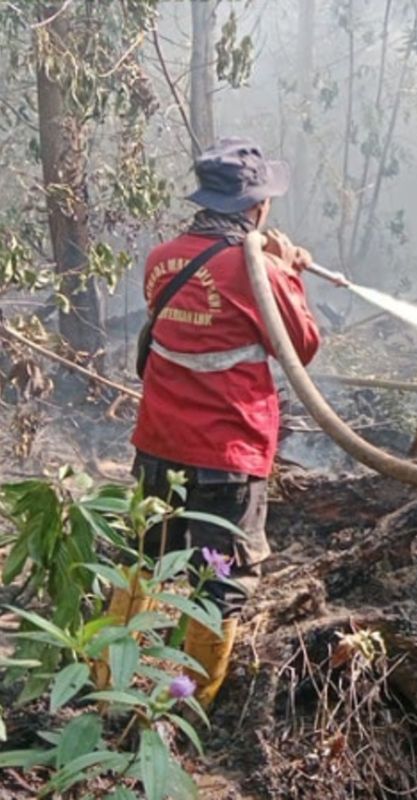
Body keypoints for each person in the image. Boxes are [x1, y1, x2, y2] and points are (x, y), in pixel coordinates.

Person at [99, 137, 321, 709]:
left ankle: (104, 686)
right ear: (257, 206)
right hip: (228, 452)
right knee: (223, 581)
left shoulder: (160, 258)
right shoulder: (258, 272)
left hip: (158, 444)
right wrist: (288, 271)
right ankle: (187, 709)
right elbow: (302, 346)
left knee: (145, 558)